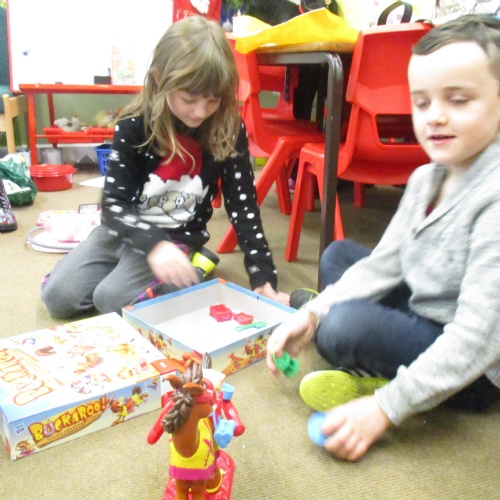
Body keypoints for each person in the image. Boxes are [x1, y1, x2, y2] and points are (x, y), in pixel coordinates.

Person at [266, 13, 500, 461]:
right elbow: (384, 264)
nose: (436, 117)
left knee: (343, 327)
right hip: (426, 302)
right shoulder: (427, 177)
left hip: (472, 367)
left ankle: (386, 377)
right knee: (338, 256)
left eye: (458, 100)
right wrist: (313, 313)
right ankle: (326, 314)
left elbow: (475, 340)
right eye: (422, 102)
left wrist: (384, 408)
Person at [42, 15, 289, 319]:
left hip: (177, 237)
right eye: (189, 99)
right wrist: (153, 245)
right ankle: (171, 273)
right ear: (160, 80)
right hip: (124, 230)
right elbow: (114, 205)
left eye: (212, 100)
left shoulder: (228, 127)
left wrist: (262, 276)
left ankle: (195, 265)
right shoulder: (133, 125)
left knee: (110, 299)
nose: (201, 111)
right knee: (58, 298)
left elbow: (243, 207)